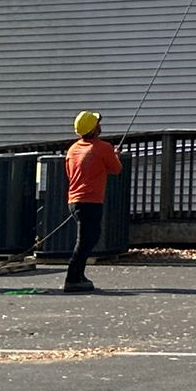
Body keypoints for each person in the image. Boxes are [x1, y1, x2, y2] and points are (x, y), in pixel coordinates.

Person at [63, 110, 122, 294]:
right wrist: (115, 155)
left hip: (74, 200)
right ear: (95, 128)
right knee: (86, 240)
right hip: (91, 201)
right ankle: (72, 278)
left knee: (88, 238)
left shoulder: (73, 149)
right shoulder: (103, 147)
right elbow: (116, 169)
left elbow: (69, 172)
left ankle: (79, 276)